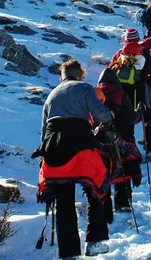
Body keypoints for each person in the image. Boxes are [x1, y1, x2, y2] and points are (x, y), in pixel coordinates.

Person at [34, 59, 113, 258]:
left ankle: (69, 253)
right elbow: (102, 115)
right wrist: (109, 117)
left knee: (62, 199)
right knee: (95, 188)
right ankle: (94, 241)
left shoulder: (51, 95)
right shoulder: (84, 88)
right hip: (80, 142)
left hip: (54, 147)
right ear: (80, 75)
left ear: (61, 76)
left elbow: (44, 131)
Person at [96, 67, 142, 212]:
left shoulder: (95, 95)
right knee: (124, 168)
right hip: (122, 138)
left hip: (100, 141)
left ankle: (104, 203)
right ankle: (123, 203)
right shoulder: (120, 94)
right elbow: (130, 118)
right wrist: (139, 113)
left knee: (105, 170)